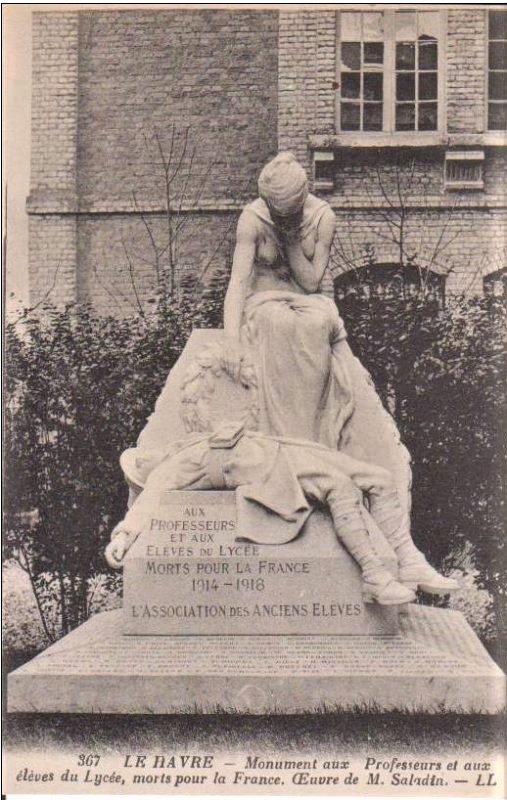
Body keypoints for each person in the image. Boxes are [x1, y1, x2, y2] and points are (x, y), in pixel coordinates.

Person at [105, 421, 458, 604]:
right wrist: (123, 536)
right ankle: (375, 576)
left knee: (378, 478)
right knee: (341, 487)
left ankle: (409, 559)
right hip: (271, 468)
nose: (147, 454)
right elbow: (148, 501)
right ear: (144, 470)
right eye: (141, 460)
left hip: (285, 449)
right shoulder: (169, 470)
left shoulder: (191, 443)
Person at [222, 151, 354, 448]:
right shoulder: (252, 218)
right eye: (274, 211)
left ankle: (314, 439)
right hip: (264, 303)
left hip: (306, 303)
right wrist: (231, 340)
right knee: (278, 322)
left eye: (285, 213)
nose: (277, 217)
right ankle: (280, 440)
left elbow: (311, 284)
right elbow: (238, 284)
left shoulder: (323, 218)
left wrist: (291, 238)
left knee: (319, 324)